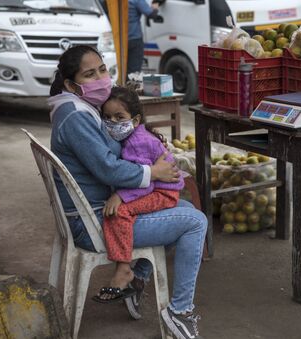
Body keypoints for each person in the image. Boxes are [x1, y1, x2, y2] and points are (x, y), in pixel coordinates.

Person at [48, 45, 205, 339]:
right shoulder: (75, 117)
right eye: (89, 74)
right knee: (196, 223)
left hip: (98, 211)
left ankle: (137, 280)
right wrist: (153, 172)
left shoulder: (77, 107)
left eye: (102, 69)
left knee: (187, 211)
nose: (100, 78)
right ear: (71, 84)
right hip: (95, 221)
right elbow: (109, 169)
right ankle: (179, 311)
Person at [94, 86, 185, 303]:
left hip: (163, 192)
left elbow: (145, 182)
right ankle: (133, 271)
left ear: (135, 121)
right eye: (107, 117)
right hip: (158, 188)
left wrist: (120, 197)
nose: (113, 122)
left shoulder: (136, 142)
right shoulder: (132, 136)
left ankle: (124, 269)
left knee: (119, 213)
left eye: (119, 117)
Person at [127, 0, 164, 75]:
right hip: (134, 39)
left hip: (119, 41)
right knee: (134, 71)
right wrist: (155, 7)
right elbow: (151, 14)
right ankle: (131, 85)